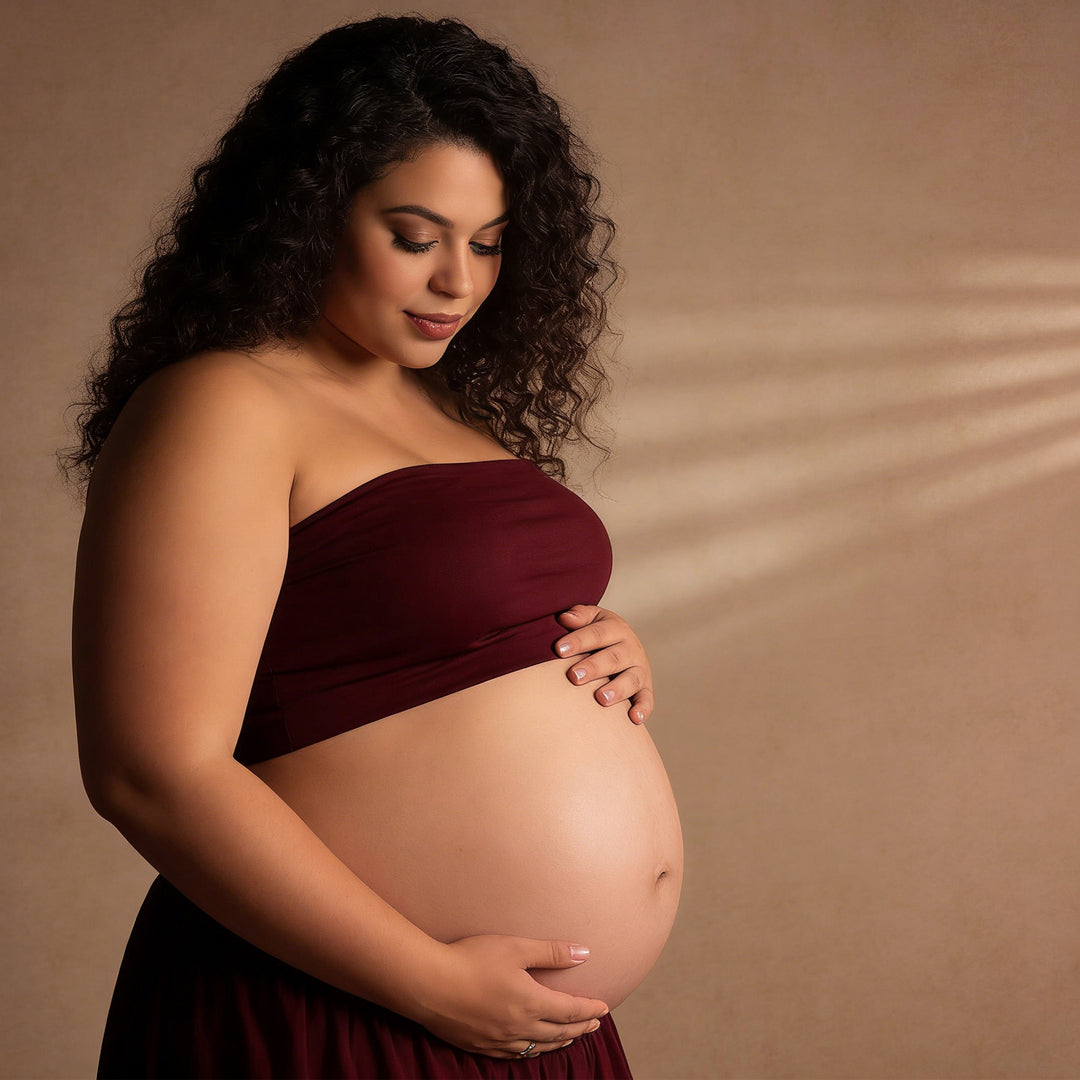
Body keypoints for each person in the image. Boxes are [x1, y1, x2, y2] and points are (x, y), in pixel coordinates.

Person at [63, 16, 682, 1079]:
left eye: (487, 242)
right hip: (342, 1008)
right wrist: (428, 981)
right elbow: (151, 770)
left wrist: (593, 649)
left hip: (519, 1024)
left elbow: (408, 632)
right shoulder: (226, 404)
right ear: (308, 215)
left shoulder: (440, 408)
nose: (459, 282)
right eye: (415, 235)